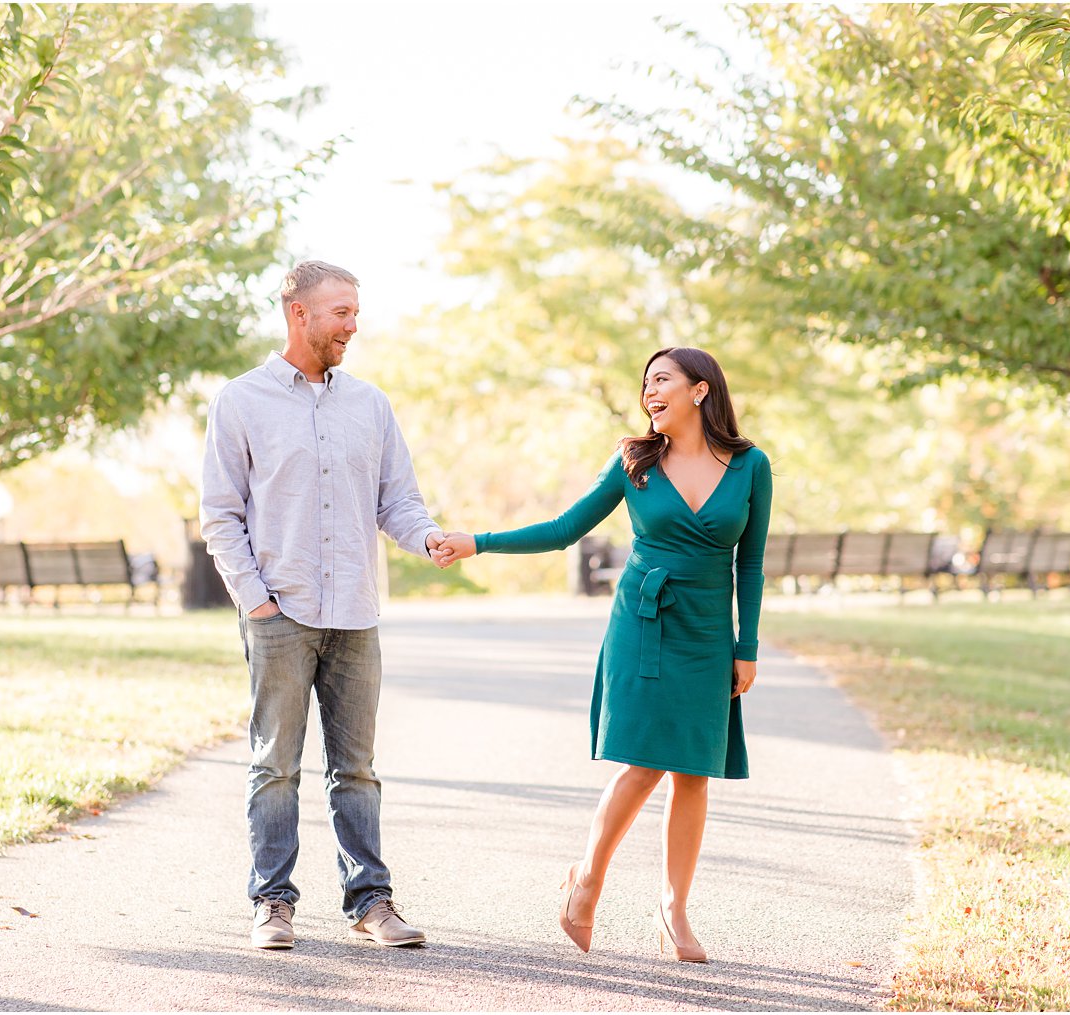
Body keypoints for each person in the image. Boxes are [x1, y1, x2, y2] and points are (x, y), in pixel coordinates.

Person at [438, 347, 772, 962]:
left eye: (663, 380)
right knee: (645, 761)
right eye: (645, 383)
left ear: (700, 391)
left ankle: (674, 911)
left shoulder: (751, 465)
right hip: (643, 624)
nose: (650, 392)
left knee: (696, 772)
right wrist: (477, 542)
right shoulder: (634, 461)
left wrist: (745, 646)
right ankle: (586, 880)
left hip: (705, 633)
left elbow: (748, 563)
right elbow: (565, 529)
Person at [200, 260, 450, 951]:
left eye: (355, 311)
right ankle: (272, 903)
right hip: (280, 613)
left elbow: (397, 499)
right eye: (341, 311)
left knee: (358, 769)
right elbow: (220, 515)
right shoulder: (241, 401)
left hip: (356, 616)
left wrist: (425, 536)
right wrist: (256, 602)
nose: (353, 324)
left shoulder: (368, 403)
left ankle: (371, 902)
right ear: (299, 313)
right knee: (274, 765)